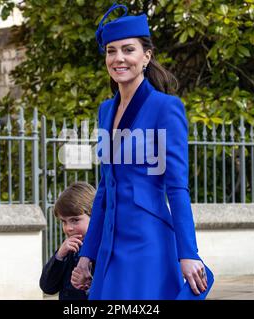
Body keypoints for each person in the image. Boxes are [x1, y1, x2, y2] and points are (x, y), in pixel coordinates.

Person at [70, 3, 213, 299]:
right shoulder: (105, 110)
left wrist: (188, 253)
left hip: (147, 243)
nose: (119, 58)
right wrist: (87, 255)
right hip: (109, 245)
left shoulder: (166, 107)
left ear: (146, 56)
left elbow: (176, 187)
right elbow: (104, 192)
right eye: (111, 51)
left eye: (128, 50)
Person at [39, 182, 96, 300]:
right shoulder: (68, 250)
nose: (68, 228)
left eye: (75, 220)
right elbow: (48, 287)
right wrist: (59, 256)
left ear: (94, 216)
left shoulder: (103, 248)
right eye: (64, 221)